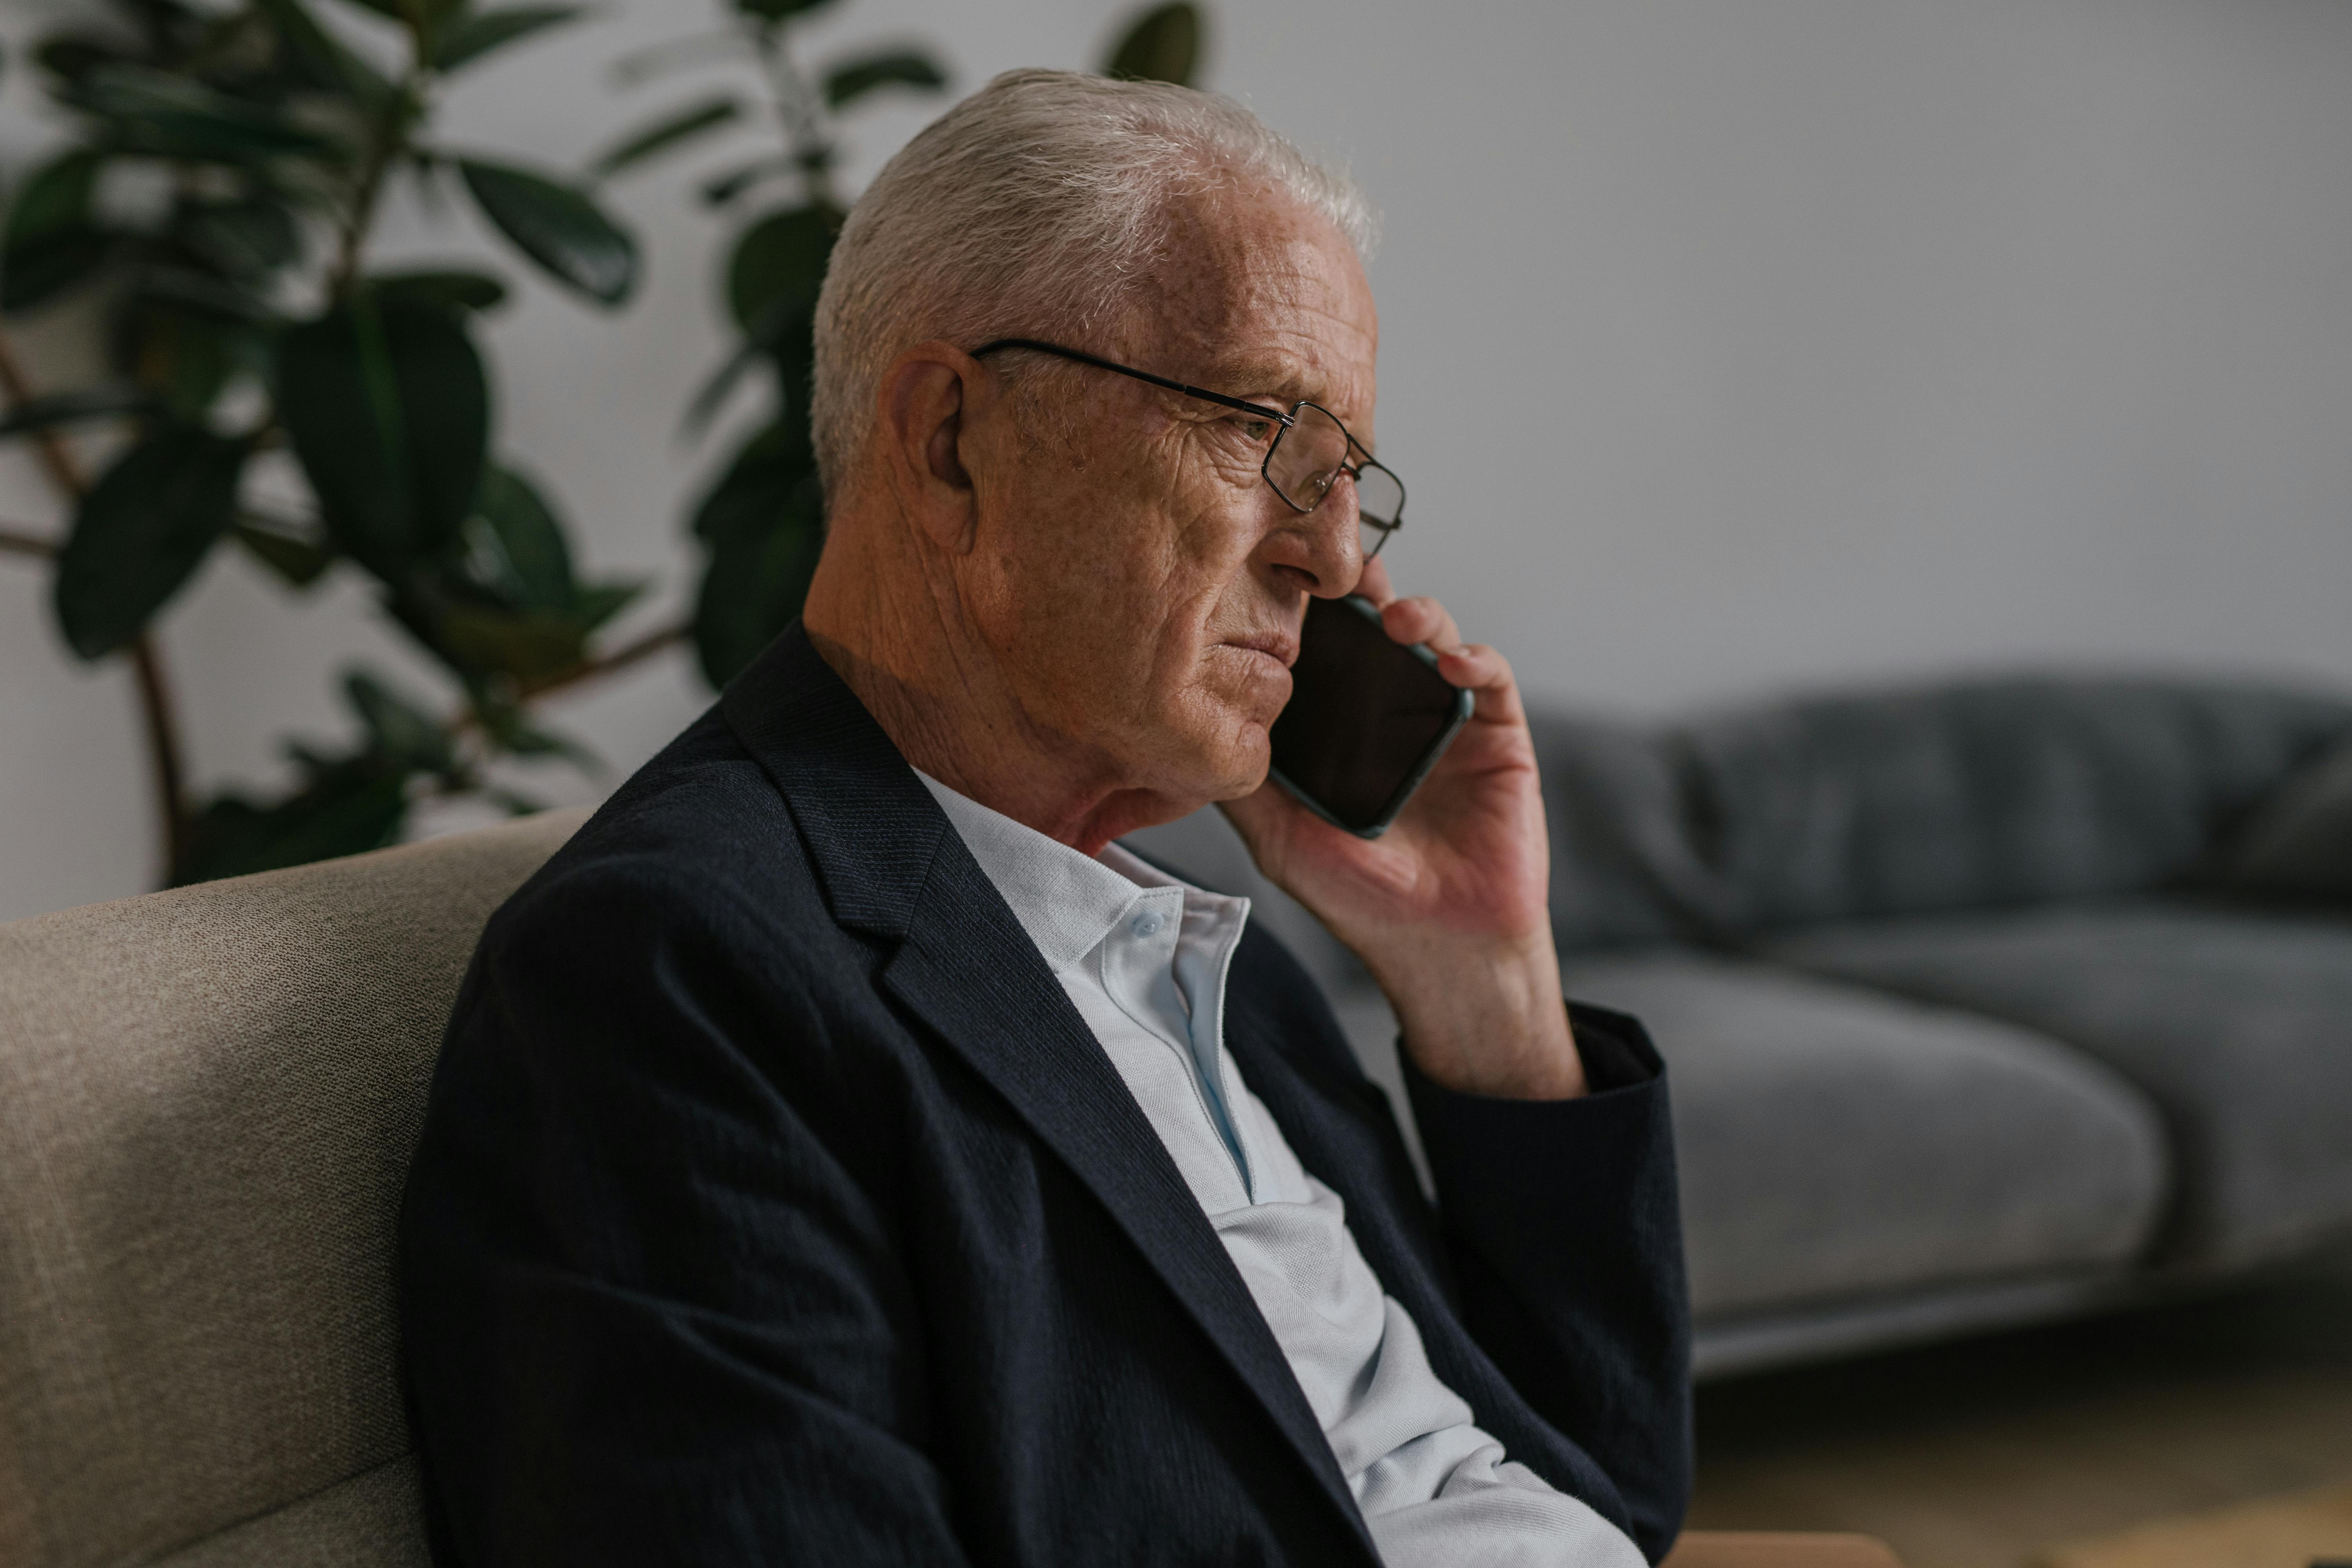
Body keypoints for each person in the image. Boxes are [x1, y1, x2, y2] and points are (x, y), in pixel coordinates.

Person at [398, 69, 1691, 1567]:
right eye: (1268, 433)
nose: (1334, 560)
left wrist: (1485, 980)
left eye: (1349, 483)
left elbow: (1605, 1486)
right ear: (953, 438)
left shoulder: (1204, 960)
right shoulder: (672, 980)